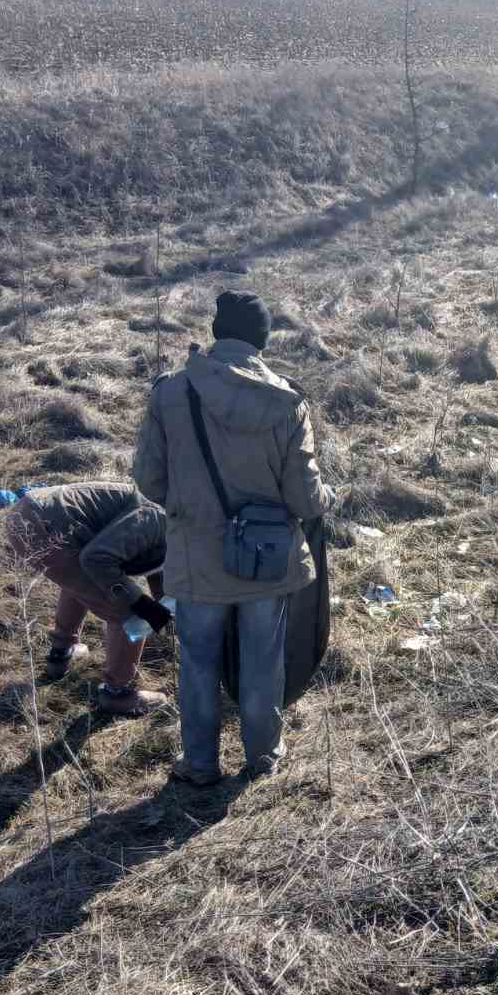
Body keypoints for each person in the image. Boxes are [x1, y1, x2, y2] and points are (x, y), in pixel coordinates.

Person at [133, 290, 333, 786]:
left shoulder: (170, 392)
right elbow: (306, 498)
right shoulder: (287, 401)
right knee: (263, 660)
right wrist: (328, 497)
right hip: (268, 557)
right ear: (262, 339)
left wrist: (191, 506)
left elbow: (150, 481)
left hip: (196, 554)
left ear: (217, 332)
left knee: (197, 661)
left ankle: (199, 764)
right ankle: (263, 757)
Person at [5, 482, 169, 716]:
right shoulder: (158, 518)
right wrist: (142, 605)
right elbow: (96, 559)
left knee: (80, 583)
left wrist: (168, 611)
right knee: (131, 612)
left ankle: (62, 653)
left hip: (30, 514)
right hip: (45, 526)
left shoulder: (170, 517)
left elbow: (158, 568)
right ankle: (117, 694)